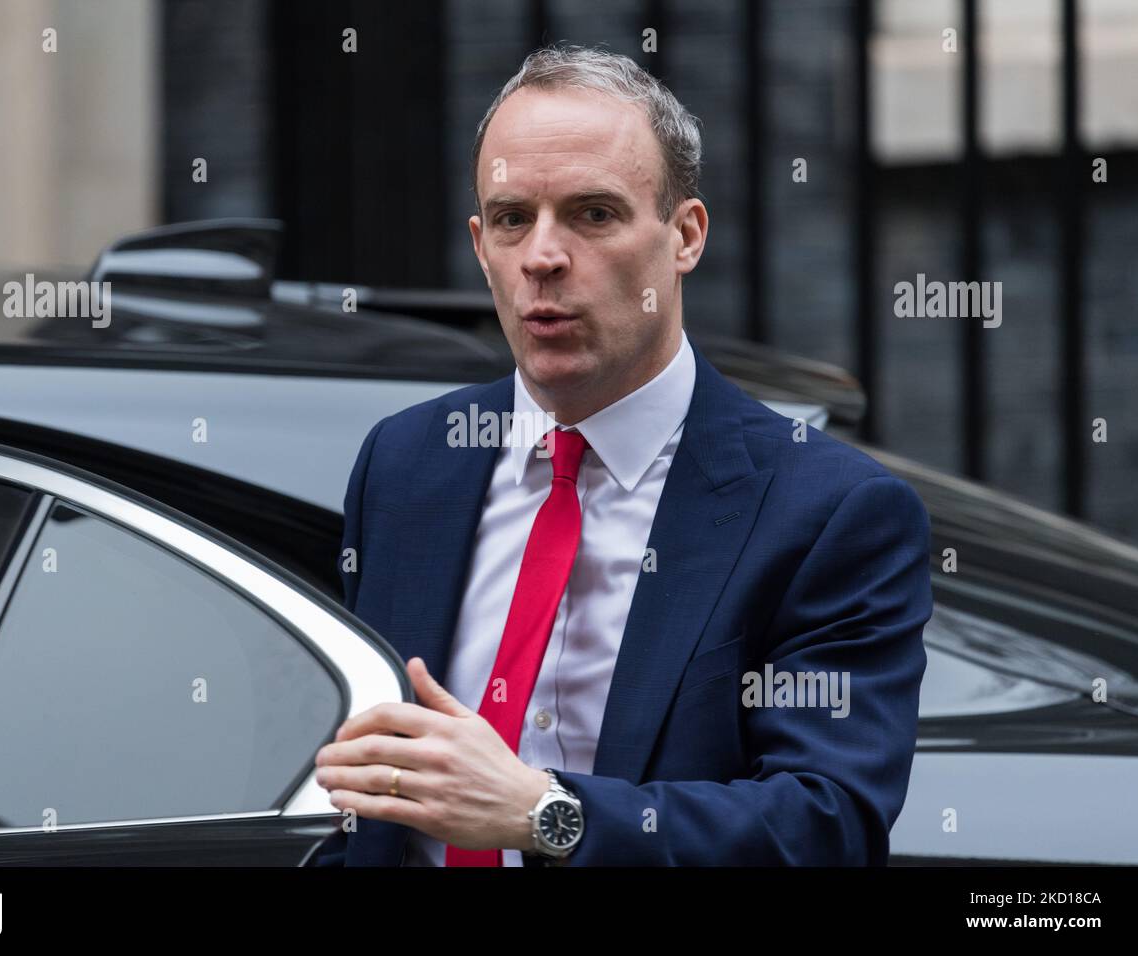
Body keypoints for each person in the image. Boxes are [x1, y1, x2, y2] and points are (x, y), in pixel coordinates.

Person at [308, 43, 931, 866]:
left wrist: (549, 815)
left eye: (593, 214)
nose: (543, 257)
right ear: (480, 242)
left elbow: (825, 825)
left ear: (685, 236)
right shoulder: (407, 461)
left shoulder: (828, 511)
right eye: (512, 219)